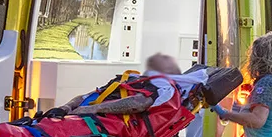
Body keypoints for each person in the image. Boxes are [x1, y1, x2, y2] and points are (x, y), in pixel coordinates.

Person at [55, 53, 183, 117]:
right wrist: (67, 106)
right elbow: (89, 95)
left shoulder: (162, 87)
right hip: (77, 115)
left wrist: (95, 109)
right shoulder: (128, 79)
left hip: (96, 121)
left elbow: (139, 104)